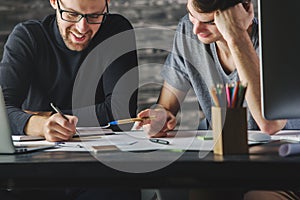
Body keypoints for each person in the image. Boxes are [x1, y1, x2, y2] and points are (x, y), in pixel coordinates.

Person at [136, 0, 300, 199]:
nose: (196, 28)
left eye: (211, 21)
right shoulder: (189, 31)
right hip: (217, 165)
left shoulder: (276, 38)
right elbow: (165, 106)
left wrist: (236, 36)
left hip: (276, 168)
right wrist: (159, 117)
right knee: (199, 192)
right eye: (191, 15)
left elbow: (270, 124)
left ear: (245, 9)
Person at [0, 0, 140, 199]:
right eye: (72, 14)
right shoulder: (28, 36)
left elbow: (120, 114)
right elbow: (2, 111)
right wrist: (40, 125)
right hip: (35, 173)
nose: (83, 28)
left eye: (94, 16)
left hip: (104, 173)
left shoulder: (116, 30)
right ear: (54, 2)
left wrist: (42, 115)